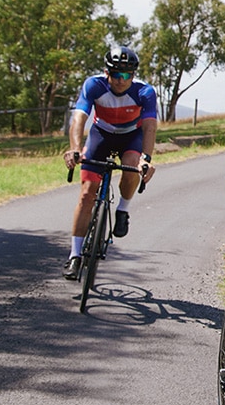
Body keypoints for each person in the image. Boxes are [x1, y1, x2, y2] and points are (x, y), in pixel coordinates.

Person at [63, 46, 158, 280]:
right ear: (107, 72)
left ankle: (123, 209)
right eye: (116, 74)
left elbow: (149, 127)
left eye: (127, 75)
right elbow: (78, 119)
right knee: (86, 194)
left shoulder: (144, 92)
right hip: (101, 135)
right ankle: (75, 255)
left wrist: (146, 159)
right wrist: (76, 149)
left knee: (132, 164)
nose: (121, 80)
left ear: (133, 75)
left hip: (131, 136)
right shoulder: (93, 85)